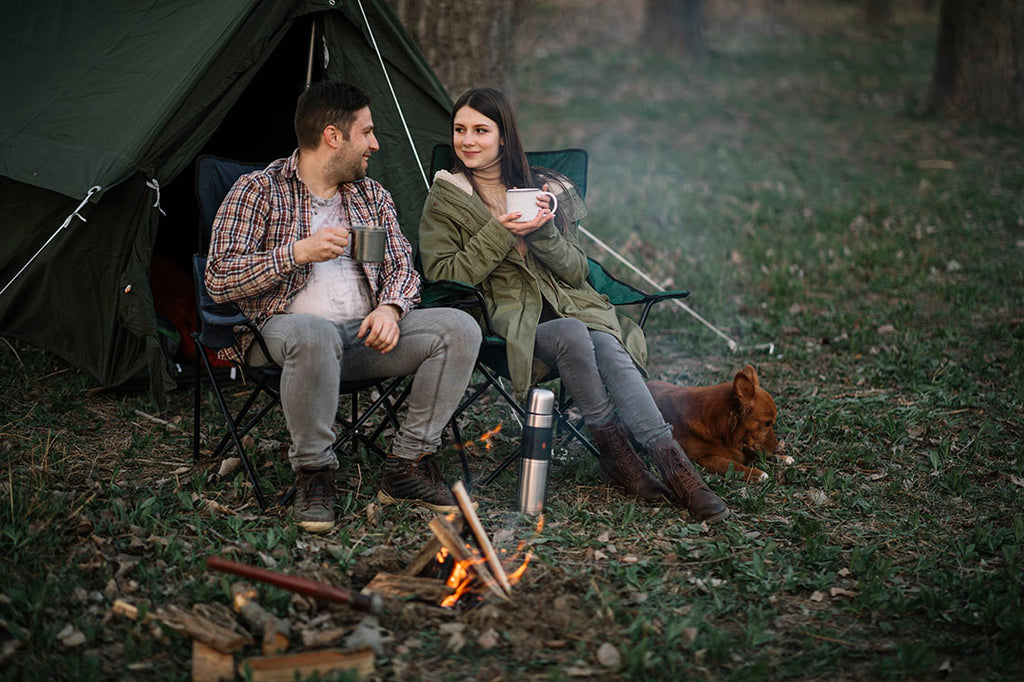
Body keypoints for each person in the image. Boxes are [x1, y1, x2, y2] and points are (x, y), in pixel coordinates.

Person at [418, 87, 729, 524]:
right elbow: (443, 272)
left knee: (604, 342)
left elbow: (575, 272)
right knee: (573, 333)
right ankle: (623, 459)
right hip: (507, 321)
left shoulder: (536, 190)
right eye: (460, 129)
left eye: (480, 130)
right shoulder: (446, 198)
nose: (467, 140)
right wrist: (501, 232)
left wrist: (544, 229)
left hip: (571, 306)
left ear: (503, 136)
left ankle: (679, 474)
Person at [206, 81, 481, 532]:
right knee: (312, 332)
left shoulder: (371, 195)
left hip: (363, 336)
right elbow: (217, 278)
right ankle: (314, 472)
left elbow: (403, 270)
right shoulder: (258, 191)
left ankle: (407, 466)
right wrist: (295, 253)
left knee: (459, 328)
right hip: (281, 334)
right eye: (367, 132)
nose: (374, 144)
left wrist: (391, 309)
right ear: (334, 136)